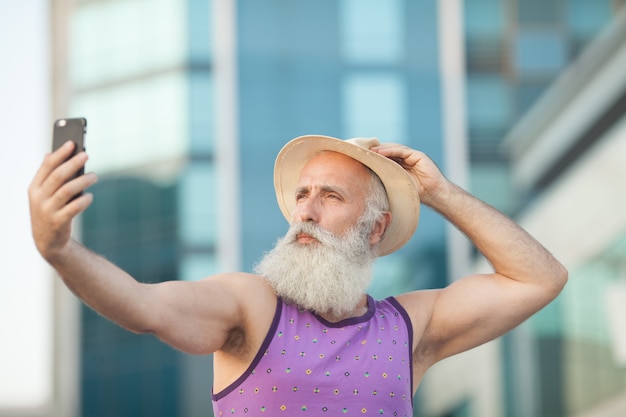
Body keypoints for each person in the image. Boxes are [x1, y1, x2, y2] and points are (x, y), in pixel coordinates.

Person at [29, 134, 567, 416]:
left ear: (375, 228)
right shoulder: (251, 305)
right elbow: (142, 306)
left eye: (330, 197)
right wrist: (61, 251)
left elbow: (538, 279)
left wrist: (441, 193)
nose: (305, 212)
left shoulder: (410, 329)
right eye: (301, 195)